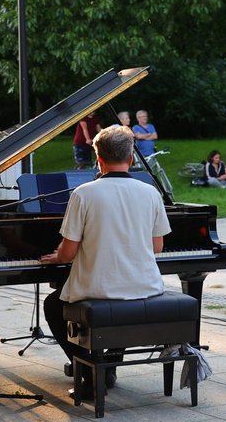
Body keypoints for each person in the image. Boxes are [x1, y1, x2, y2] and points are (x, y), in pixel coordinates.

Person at [41, 125, 171, 399]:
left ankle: (88, 372)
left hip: (99, 289)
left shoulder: (84, 194)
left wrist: (57, 256)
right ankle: (109, 366)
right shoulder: (150, 193)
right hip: (145, 287)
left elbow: (68, 253)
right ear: (131, 158)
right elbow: (157, 247)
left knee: (53, 305)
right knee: (120, 301)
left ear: (98, 159)